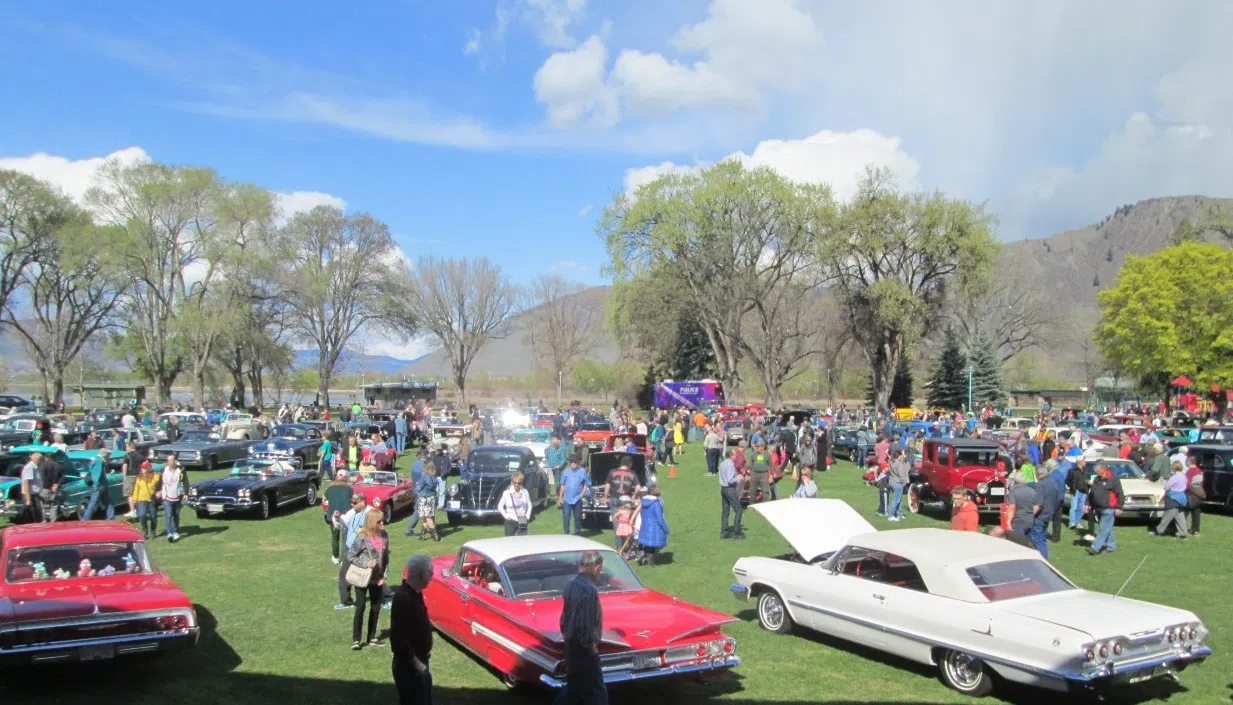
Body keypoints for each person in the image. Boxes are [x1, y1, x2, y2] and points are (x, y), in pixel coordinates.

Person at [556, 551, 608, 705]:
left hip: (571, 645)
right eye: (600, 568)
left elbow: (564, 619)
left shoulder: (571, 585)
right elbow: (586, 625)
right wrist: (591, 648)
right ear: (596, 567)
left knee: (574, 686)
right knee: (597, 692)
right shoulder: (589, 590)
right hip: (585, 650)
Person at [391, 555, 434, 705]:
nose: (432, 576)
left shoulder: (415, 593)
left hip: (419, 663)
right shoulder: (404, 599)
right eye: (430, 572)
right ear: (422, 573)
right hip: (410, 668)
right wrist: (417, 665)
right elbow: (398, 641)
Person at [345, 510, 390, 650]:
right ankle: (356, 639)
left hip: (377, 578)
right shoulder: (362, 537)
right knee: (360, 607)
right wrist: (366, 563)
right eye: (379, 521)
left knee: (376, 607)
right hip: (362, 577)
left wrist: (384, 576)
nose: (382, 523)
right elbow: (350, 556)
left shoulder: (384, 535)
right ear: (372, 522)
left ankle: (372, 637)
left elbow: (386, 558)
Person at [335, 493, 370, 608]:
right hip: (350, 549)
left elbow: (376, 529)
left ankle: (386, 596)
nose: (352, 504)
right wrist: (337, 517)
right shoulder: (352, 512)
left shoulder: (370, 513)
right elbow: (343, 521)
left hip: (362, 550)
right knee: (344, 575)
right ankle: (346, 601)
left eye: (355, 503)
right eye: (352, 502)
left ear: (363, 502)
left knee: (370, 575)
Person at [1086, 461, 1123, 555]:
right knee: (1107, 528)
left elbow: (1120, 494)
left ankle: (1095, 547)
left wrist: (1119, 507)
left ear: (1102, 469)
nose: (1095, 471)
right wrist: (1088, 504)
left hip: (1109, 508)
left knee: (1103, 529)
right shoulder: (1096, 479)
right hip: (1098, 508)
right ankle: (1111, 546)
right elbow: (1092, 493)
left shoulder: (1113, 479)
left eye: (1096, 470)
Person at [1153, 461, 1190, 539]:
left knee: (1167, 516)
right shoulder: (1184, 476)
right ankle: (1183, 533)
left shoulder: (1174, 477)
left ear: (1174, 467)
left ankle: (1159, 531)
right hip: (1182, 498)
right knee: (1180, 516)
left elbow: (1167, 487)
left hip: (1173, 497)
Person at [325, 470, 355, 564]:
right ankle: (343, 558)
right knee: (345, 537)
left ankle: (335, 556)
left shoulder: (330, 488)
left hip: (332, 515)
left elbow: (324, 499)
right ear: (346, 478)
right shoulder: (350, 488)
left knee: (335, 536)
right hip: (346, 516)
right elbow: (353, 500)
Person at [636, 485, 668, 566]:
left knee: (646, 542)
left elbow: (641, 514)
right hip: (654, 525)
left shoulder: (643, 501)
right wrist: (665, 528)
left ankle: (641, 554)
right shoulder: (656, 503)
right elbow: (659, 518)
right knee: (652, 544)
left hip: (645, 524)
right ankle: (651, 562)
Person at [558, 455, 590, 536]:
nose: (573, 463)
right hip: (567, 499)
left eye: (575, 462)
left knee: (577, 517)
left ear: (578, 463)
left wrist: (582, 494)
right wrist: (560, 497)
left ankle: (577, 533)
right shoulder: (565, 472)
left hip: (577, 499)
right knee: (566, 517)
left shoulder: (582, 471)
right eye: (571, 462)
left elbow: (586, 484)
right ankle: (566, 533)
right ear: (569, 463)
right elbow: (562, 485)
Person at [158, 455, 186, 542]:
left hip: (177, 497)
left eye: (171, 460)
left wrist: (185, 493)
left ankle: (176, 531)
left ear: (175, 461)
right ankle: (169, 533)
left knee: (176, 515)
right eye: (168, 460)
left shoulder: (180, 470)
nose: (169, 462)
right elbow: (160, 481)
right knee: (168, 515)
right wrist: (159, 491)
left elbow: (185, 481)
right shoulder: (164, 470)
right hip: (167, 497)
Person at [718, 449, 744, 539]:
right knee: (739, 510)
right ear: (731, 456)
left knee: (725, 511)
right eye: (735, 455)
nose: (736, 456)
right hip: (730, 489)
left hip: (723, 489)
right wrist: (738, 478)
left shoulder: (722, 463)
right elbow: (730, 479)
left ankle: (724, 532)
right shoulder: (730, 465)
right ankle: (736, 533)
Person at [81, 453, 114, 520]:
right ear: (105, 456)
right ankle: (85, 520)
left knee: (107, 502)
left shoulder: (97, 460)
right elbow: (96, 475)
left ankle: (111, 517)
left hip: (101, 486)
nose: (109, 458)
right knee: (93, 504)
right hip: (99, 486)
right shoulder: (99, 461)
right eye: (108, 457)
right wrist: (96, 486)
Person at [497, 472, 532, 536]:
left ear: (522, 482)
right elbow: (500, 506)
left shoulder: (525, 492)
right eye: (514, 482)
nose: (516, 485)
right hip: (510, 519)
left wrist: (527, 515)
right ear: (512, 482)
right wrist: (506, 516)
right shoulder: (507, 493)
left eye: (519, 483)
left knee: (523, 541)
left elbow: (529, 505)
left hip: (522, 519)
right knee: (509, 542)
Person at [132, 461, 160, 538]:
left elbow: (158, 484)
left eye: (144, 468)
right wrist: (135, 500)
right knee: (142, 515)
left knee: (153, 516)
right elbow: (136, 489)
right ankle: (144, 530)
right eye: (141, 468)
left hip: (152, 499)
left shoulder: (155, 476)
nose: (142, 469)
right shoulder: (139, 478)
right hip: (141, 499)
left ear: (148, 468)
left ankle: (153, 531)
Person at [413, 463, 441, 542]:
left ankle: (435, 535)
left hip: (424, 498)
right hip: (431, 498)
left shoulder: (424, 476)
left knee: (428, 517)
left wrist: (416, 492)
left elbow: (419, 487)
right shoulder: (434, 478)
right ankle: (422, 534)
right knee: (426, 517)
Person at [37, 450, 65, 523]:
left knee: (43, 505)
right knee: (53, 506)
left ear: (46, 457)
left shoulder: (42, 465)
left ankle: (44, 520)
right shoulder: (59, 465)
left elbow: (41, 477)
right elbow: (62, 477)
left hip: (44, 488)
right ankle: (53, 521)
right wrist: (57, 485)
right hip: (55, 488)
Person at [886, 449, 911, 521]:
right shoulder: (899, 464)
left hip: (891, 482)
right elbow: (901, 475)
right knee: (896, 500)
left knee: (898, 500)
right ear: (899, 456)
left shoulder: (891, 462)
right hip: (898, 483)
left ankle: (898, 513)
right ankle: (891, 515)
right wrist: (905, 482)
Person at [1184, 455, 1205, 537]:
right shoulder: (1199, 470)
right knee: (1196, 512)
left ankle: (1179, 528)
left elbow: (1188, 484)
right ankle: (1195, 530)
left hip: (1191, 493)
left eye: (1186, 461)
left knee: (1184, 511)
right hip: (1199, 493)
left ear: (1189, 462)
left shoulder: (1190, 471)